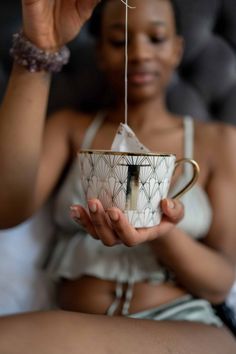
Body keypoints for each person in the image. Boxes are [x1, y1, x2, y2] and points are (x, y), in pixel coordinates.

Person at [0, 0, 236, 353]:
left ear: (177, 50)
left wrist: (159, 233)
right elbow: (6, 209)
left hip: (185, 324)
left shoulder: (218, 142)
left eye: (156, 38)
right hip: (76, 326)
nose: (139, 53)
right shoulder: (69, 128)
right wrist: (40, 51)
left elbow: (221, 281)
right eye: (119, 40)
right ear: (99, 53)